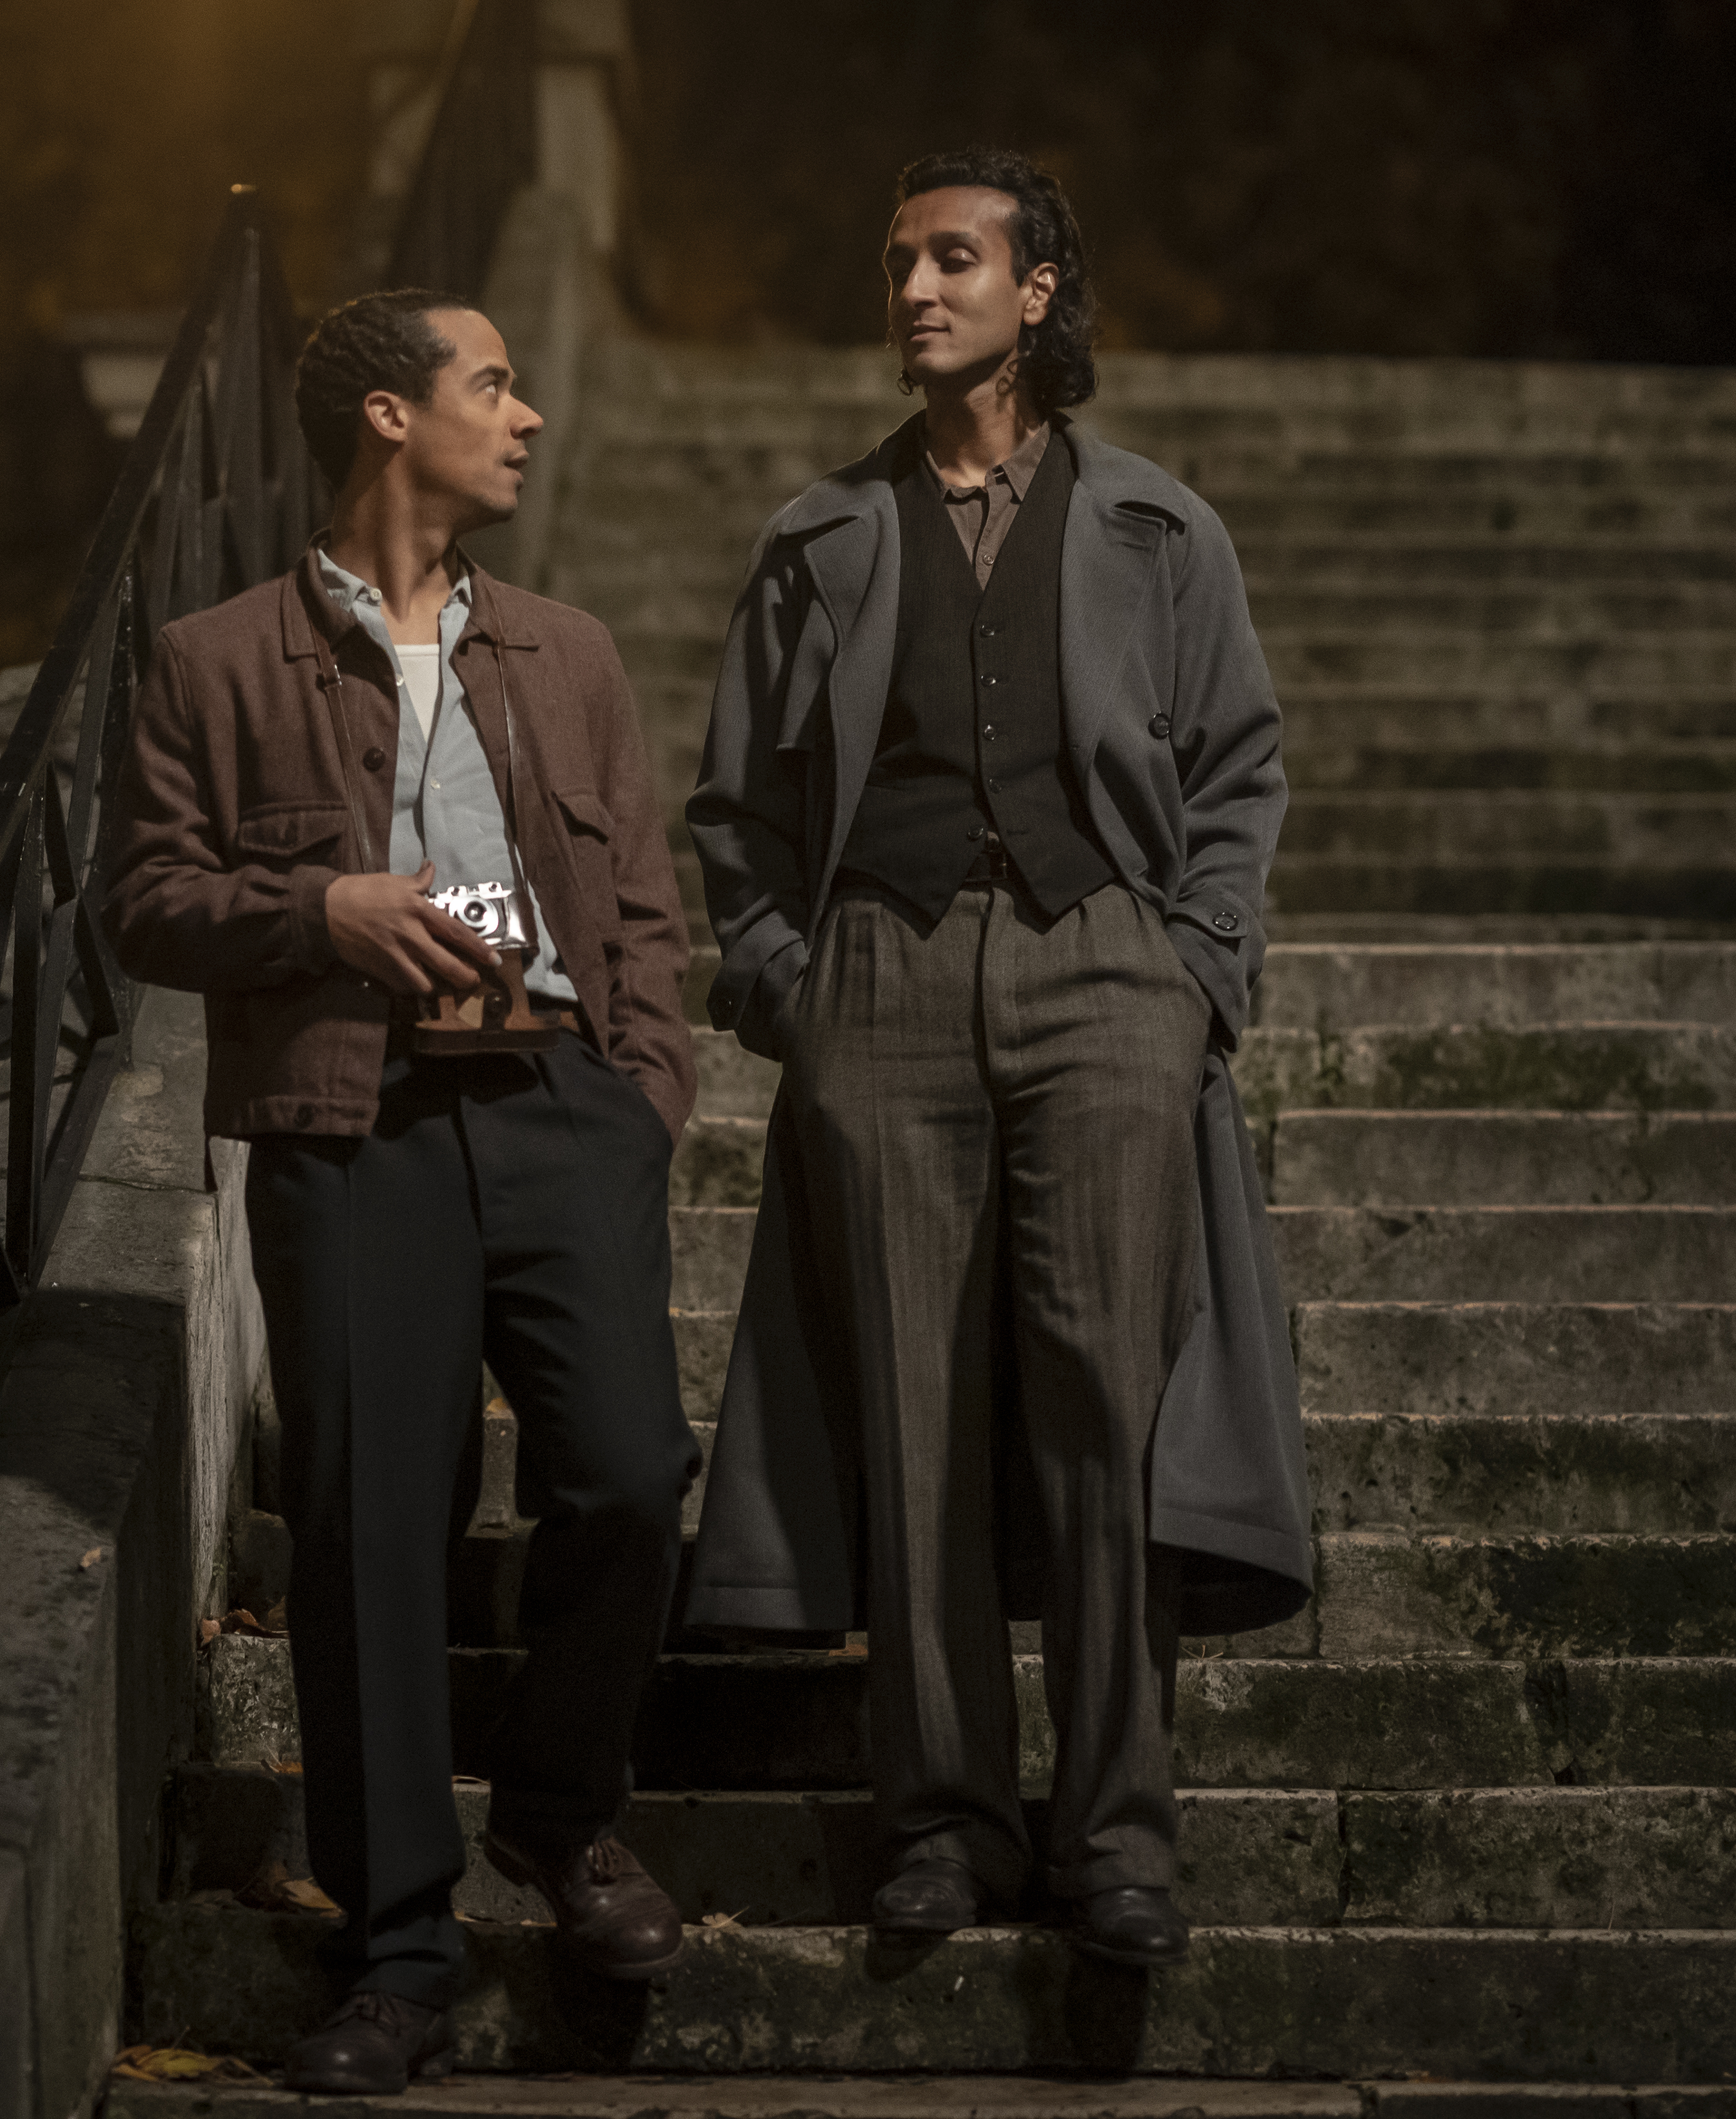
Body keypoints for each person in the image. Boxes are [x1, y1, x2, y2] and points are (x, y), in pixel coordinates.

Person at [684, 147, 1314, 1969]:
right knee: (914, 1421)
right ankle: (942, 1821)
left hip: (1104, 967)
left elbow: (1242, 772)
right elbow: (733, 813)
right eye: (896, 263)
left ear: (1039, 292)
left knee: (1098, 1417)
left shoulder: (1157, 532)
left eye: (952, 259)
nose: (913, 290)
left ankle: (1118, 1835)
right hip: (880, 978)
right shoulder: (820, 541)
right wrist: (791, 990)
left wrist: (1194, 973)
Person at [100, 290, 699, 2092]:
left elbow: (650, 906)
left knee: (628, 1473)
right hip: (350, 1126)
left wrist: (644, 1094)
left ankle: (559, 1812)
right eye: (490, 383)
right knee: (372, 1521)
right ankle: (398, 1950)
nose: (521, 417)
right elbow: (138, 900)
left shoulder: (568, 655)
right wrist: (324, 913)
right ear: (385, 414)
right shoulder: (215, 662)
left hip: (559, 1104)